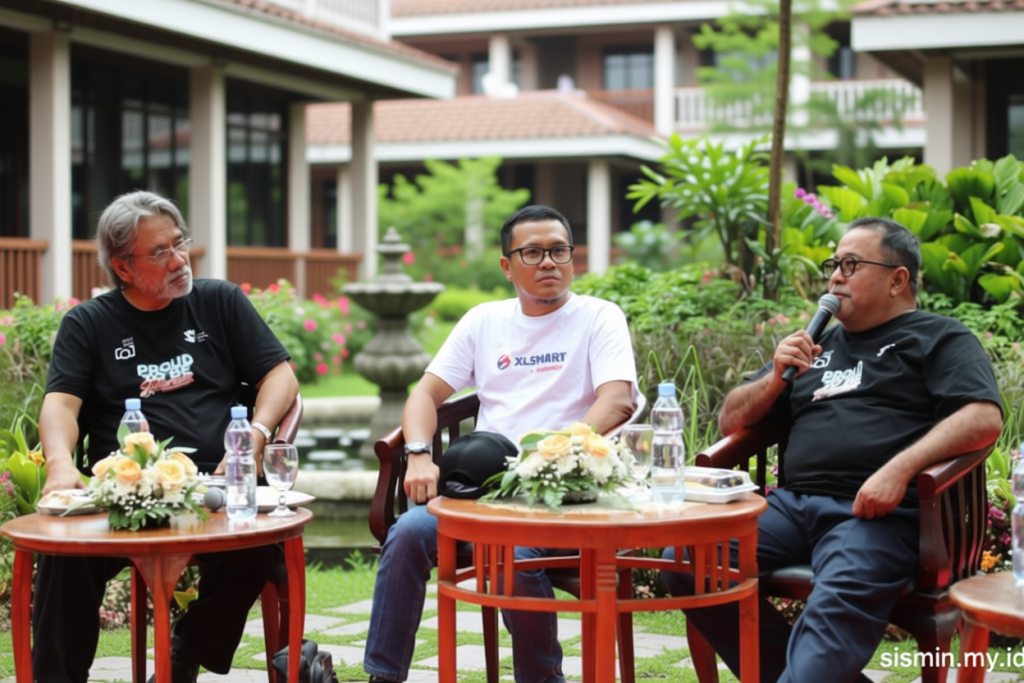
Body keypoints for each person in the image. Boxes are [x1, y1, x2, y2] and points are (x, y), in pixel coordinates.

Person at [663, 217, 1004, 683]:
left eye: (851, 264)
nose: (836, 277)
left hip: (874, 514)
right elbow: (731, 420)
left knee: (833, 612)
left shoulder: (939, 336)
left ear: (897, 280)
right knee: (688, 559)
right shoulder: (814, 344)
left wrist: (899, 469)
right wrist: (775, 377)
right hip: (791, 506)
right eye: (834, 265)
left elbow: (983, 416)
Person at [363, 205, 639, 683]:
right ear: (507, 266)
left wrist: (547, 459)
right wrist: (420, 455)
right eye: (532, 252)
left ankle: (541, 678)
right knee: (407, 533)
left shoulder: (599, 316)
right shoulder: (484, 321)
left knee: (514, 555)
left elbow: (617, 402)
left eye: (558, 250)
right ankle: (382, 677)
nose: (548, 261)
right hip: (482, 489)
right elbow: (423, 396)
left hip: (564, 491)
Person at [35, 190, 300, 683]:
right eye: (160, 252)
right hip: (123, 494)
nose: (180, 260)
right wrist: (59, 464)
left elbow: (280, 377)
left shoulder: (220, 301)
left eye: (180, 243)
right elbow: (61, 404)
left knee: (256, 547)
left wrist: (254, 437)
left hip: (216, 489)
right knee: (63, 556)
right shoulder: (88, 324)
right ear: (123, 266)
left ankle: (186, 650)